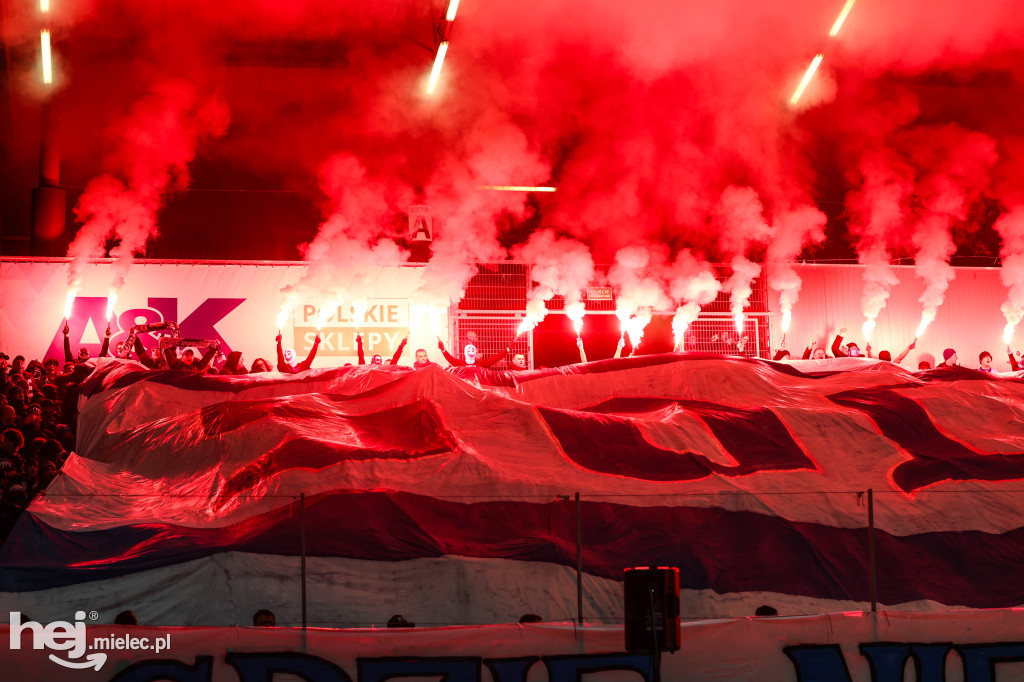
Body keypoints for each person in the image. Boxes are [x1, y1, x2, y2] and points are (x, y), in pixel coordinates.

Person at [437, 339, 509, 368]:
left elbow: (495, 358)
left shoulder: (481, 364)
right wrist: (443, 349)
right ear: (465, 353)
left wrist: (507, 350)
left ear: (475, 353)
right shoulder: (460, 363)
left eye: (473, 351)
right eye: (468, 351)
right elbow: (450, 359)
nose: (471, 353)